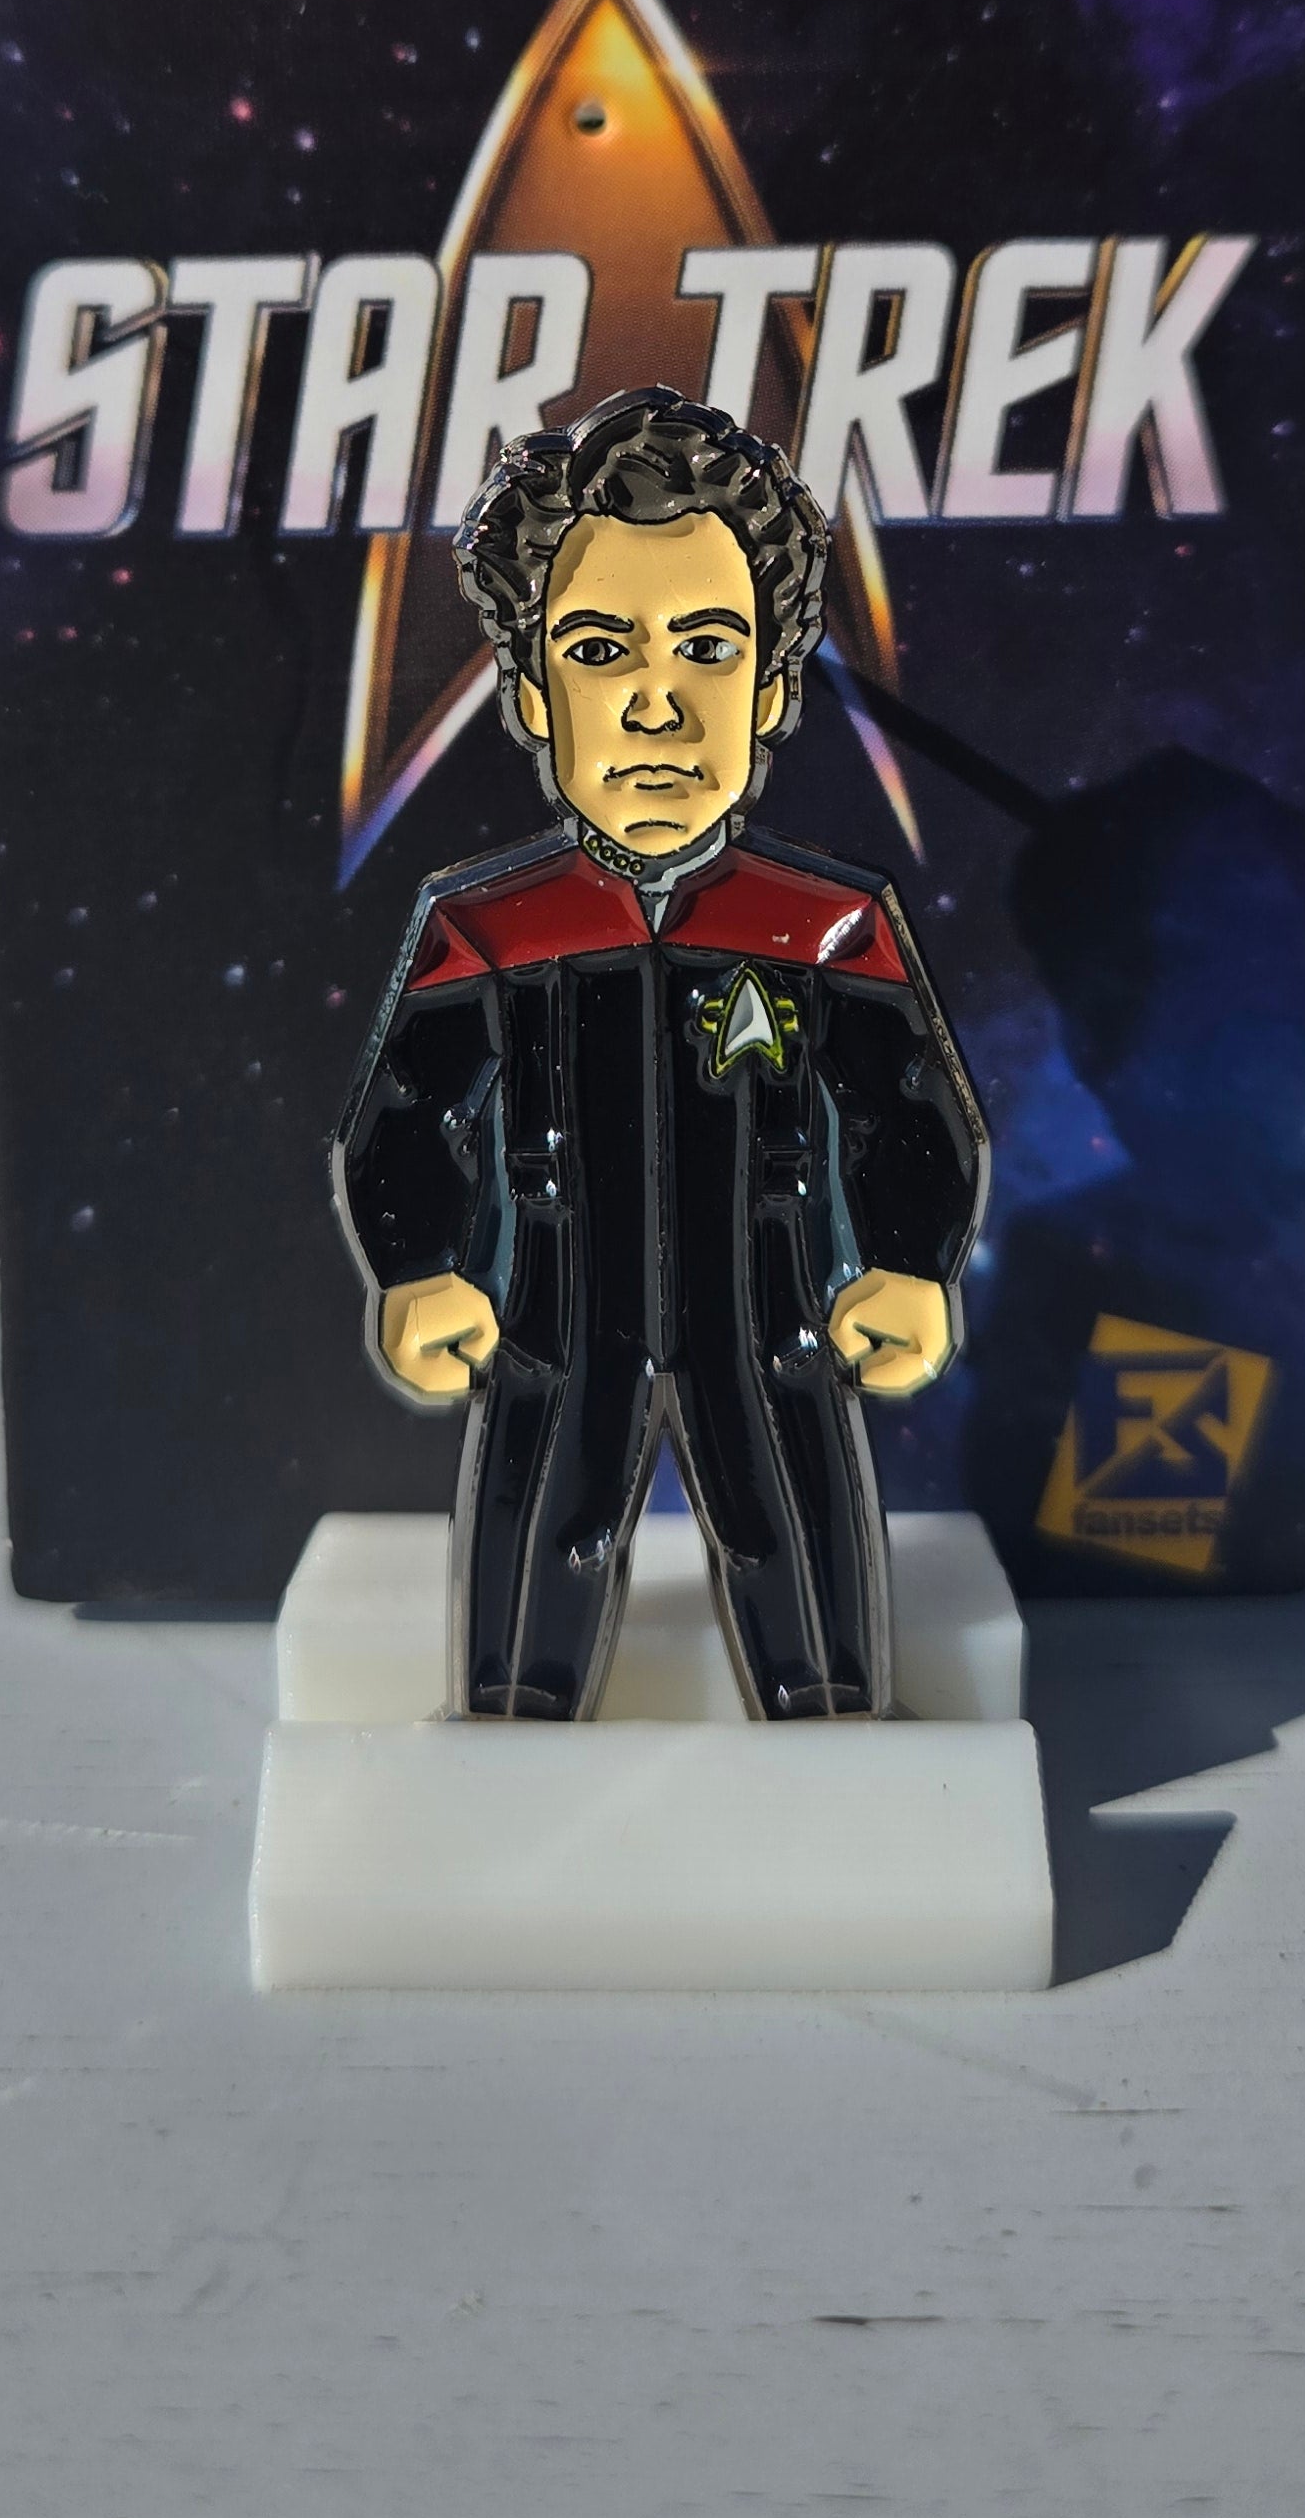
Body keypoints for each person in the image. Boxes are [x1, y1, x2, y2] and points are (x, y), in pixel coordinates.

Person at [332, 384, 987, 1719]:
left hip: (773, 1307)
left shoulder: (827, 928)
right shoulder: (489, 929)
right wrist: (421, 1264)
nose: (654, 705)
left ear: (772, 688)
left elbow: (903, 1104)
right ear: (529, 693)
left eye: (706, 647)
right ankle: (509, 1741)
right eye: (597, 650)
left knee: (795, 1527)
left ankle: (838, 1740)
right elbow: (408, 1109)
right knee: (537, 1530)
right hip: (552, 1315)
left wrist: (911, 1259)